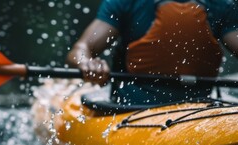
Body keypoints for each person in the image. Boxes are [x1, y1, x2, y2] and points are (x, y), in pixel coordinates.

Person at [67, 0, 238, 105]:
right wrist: (86, 63)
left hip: (198, 107)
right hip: (129, 106)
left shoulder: (221, 5)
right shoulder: (125, 2)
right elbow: (82, 48)